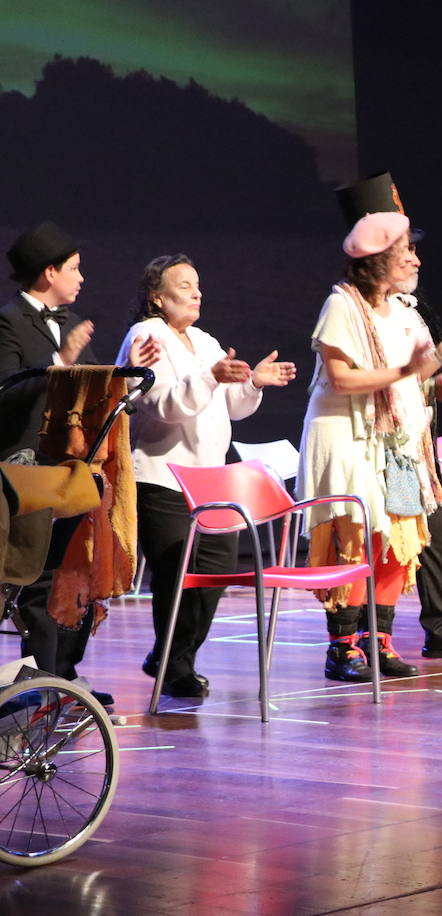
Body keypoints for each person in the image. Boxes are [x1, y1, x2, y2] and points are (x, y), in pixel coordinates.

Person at [298, 211, 442, 681]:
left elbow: (420, 373)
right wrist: (411, 371)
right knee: (355, 538)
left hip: (398, 439)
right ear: (380, 260)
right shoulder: (341, 305)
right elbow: (342, 378)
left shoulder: (405, 312)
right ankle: (342, 647)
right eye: (407, 252)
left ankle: (377, 640)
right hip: (347, 436)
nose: (415, 260)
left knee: (397, 540)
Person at [117, 254, 295, 697]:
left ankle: (172, 656)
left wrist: (252, 382)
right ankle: (175, 666)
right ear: (157, 297)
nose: (197, 292)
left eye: (198, 284)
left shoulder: (204, 340)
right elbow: (160, 406)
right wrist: (212, 378)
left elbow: (232, 404)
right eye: (184, 285)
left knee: (215, 575)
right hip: (163, 477)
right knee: (177, 574)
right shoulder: (146, 335)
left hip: (211, 482)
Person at [0, 220, 158, 703]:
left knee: (72, 569)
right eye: (74, 269)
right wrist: (61, 364)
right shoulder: (8, 322)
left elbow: (89, 389)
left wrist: (125, 378)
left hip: (71, 470)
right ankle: (43, 681)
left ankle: (62, 674)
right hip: (25, 470)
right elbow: (7, 392)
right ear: (48, 272)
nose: (82, 278)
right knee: (35, 577)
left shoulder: (69, 323)